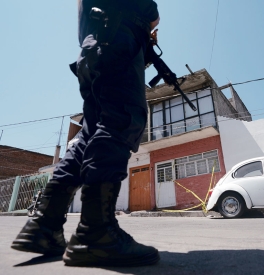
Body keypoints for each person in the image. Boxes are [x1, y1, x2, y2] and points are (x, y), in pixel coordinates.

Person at [11, 0, 160, 267]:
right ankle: (97, 233)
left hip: (95, 46)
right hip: (118, 40)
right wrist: (146, 27)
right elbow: (151, 15)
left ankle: (44, 225)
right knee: (120, 119)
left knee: (90, 136)